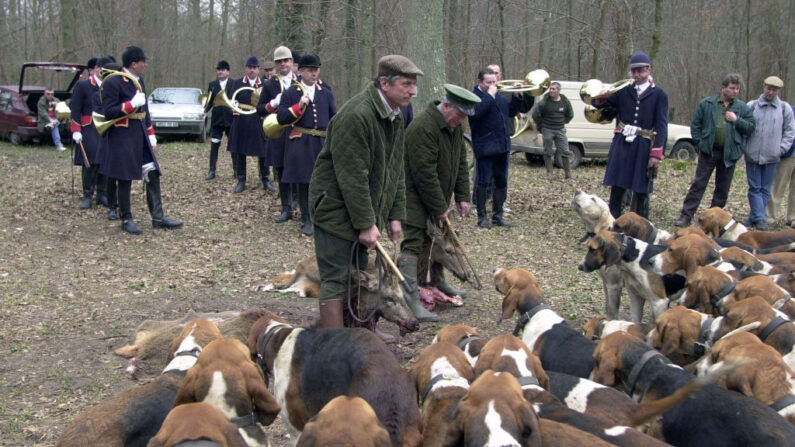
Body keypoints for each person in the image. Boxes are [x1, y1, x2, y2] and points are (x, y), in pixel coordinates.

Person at [308, 54, 423, 329]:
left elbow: (395, 170)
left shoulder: (395, 115)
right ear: (385, 83)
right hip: (335, 211)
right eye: (406, 84)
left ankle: (356, 337)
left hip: (360, 211)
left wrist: (395, 214)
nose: (413, 91)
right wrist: (366, 224)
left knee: (358, 277)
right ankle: (335, 347)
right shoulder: (356, 116)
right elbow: (352, 178)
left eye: (414, 84)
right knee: (337, 280)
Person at [399, 83, 479, 322]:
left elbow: (460, 164)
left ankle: (437, 281)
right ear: (446, 106)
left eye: (466, 116)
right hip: (412, 198)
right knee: (414, 242)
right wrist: (439, 206)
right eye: (460, 114)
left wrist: (463, 196)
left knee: (438, 240)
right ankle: (410, 297)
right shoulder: (424, 128)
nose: (462, 120)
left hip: (436, 198)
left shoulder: (453, 126)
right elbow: (425, 174)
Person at [98, 46, 182, 234]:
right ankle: (126, 218)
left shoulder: (140, 81)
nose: (145, 65)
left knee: (152, 173)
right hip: (122, 136)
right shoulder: (113, 81)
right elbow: (108, 112)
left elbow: (145, 111)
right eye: (143, 61)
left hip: (140, 134)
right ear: (134, 63)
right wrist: (130, 105)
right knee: (125, 177)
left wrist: (150, 131)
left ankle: (158, 217)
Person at [674, 74, 756, 227]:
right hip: (709, 151)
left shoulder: (742, 108)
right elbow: (696, 125)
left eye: (737, 89)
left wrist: (737, 120)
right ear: (723, 88)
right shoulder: (707, 104)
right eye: (732, 88)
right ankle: (686, 216)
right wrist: (700, 144)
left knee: (722, 189)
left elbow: (751, 128)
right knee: (698, 185)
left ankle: (712, 219)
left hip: (729, 153)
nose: (735, 91)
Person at [595, 51, 668, 219]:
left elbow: (662, 124)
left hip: (643, 145)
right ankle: (613, 223)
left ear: (649, 70)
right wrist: (602, 97)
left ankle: (640, 226)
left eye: (641, 71)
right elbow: (601, 106)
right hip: (622, 144)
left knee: (641, 188)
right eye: (634, 71)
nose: (637, 75)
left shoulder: (659, 95)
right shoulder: (623, 91)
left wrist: (656, 152)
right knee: (617, 186)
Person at [277, 53, 336, 236]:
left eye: (316, 70)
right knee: (305, 183)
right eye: (310, 70)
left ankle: (320, 217)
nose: (314, 74)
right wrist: (298, 106)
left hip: (321, 142)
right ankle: (307, 219)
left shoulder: (325, 92)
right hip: (301, 143)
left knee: (322, 182)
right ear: (300, 71)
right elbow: (281, 118)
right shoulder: (290, 93)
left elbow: (334, 118)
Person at [469, 67, 522, 229]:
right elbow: (476, 113)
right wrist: (490, 95)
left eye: (494, 82)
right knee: (483, 182)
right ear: (480, 82)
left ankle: (497, 215)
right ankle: (481, 217)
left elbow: (511, 112)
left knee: (501, 182)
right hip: (485, 146)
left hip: (502, 146)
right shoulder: (474, 97)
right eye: (488, 82)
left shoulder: (498, 96)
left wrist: (516, 96)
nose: (492, 85)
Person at [742, 76, 795, 230]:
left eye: (774, 89)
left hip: (773, 156)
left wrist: (781, 150)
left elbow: (790, 132)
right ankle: (759, 218)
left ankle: (755, 217)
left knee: (765, 188)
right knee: (754, 187)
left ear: (779, 91)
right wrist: (746, 147)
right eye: (768, 88)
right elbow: (743, 128)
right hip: (752, 155)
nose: (771, 92)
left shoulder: (784, 109)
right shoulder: (752, 106)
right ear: (764, 86)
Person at [259, 46, 297, 221]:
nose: (283, 64)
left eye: (286, 60)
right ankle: (286, 208)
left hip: (297, 132)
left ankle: (299, 203)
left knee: (299, 169)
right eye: (280, 61)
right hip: (279, 132)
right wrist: (273, 103)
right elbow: (260, 110)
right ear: (276, 64)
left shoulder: (300, 81)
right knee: (281, 170)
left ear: (291, 62)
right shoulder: (269, 84)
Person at [226, 56, 270, 193]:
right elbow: (230, 101)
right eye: (250, 67)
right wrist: (234, 106)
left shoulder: (264, 84)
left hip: (258, 120)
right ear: (246, 68)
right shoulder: (237, 83)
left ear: (258, 69)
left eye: (255, 68)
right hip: (242, 121)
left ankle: (265, 179)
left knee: (263, 151)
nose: (252, 70)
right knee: (240, 151)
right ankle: (241, 180)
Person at [70, 57, 108, 209]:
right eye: (100, 69)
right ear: (96, 69)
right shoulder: (83, 85)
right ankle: (87, 194)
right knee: (90, 161)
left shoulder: (109, 86)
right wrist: (76, 130)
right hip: (88, 126)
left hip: (105, 126)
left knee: (105, 161)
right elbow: (75, 108)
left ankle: (102, 193)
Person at [531, 81, 575, 180]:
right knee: (548, 152)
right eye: (550, 89)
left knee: (565, 151)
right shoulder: (544, 102)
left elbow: (570, 114)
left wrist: (564, 121)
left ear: (559, 90)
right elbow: (535, 114)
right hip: (547, 129)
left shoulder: (564, 101)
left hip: (560, 129)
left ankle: (568, 173)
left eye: (553, 89)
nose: (551, 91)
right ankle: (550, 173)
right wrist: (541, 126)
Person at [203, 60, 235, 180]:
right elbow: (209, 101)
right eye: (218, 70)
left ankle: (236, 170)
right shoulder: (212, 84)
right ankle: (212, 170)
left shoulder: (234, 83)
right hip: (216, 120)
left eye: (222, 69)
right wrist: (205, 110)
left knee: (233, 147)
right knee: (214, 146)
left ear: (228, 71)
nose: (220, 72)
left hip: (230, 120)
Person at [767, 104, 795, 227]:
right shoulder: (790, 110)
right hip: (789, 153)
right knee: (778, 186)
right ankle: (770, 217)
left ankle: (792, 217)